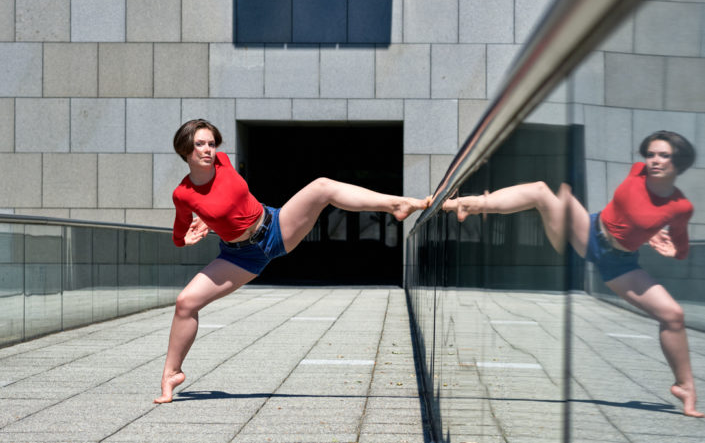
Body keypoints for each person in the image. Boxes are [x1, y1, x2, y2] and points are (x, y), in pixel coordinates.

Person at [154, 119, 430, 404]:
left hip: (274, 227)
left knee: (322, 187)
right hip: (239, 256)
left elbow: (230, 203)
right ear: (185, 150)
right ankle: (171, 374)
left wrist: (210, 222)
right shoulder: (183, 194)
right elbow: (179, 234)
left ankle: (395, 204)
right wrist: (191, 234)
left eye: (211, 143)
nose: (208, 150)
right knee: (186, 303)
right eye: (200, 144)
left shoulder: (223, 162)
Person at [442, 130, 703, 417]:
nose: (653, 160)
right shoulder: (638, 172)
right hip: (589, 230)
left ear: (678, 162)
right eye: (651, 153)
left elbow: (681, 249)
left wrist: (665, 246)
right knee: (542, 191)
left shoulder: (680, 207)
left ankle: (685, 386)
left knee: (673, 315)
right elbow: (631, 212)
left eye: (663, 156)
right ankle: (471, 203)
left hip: (620, 263)